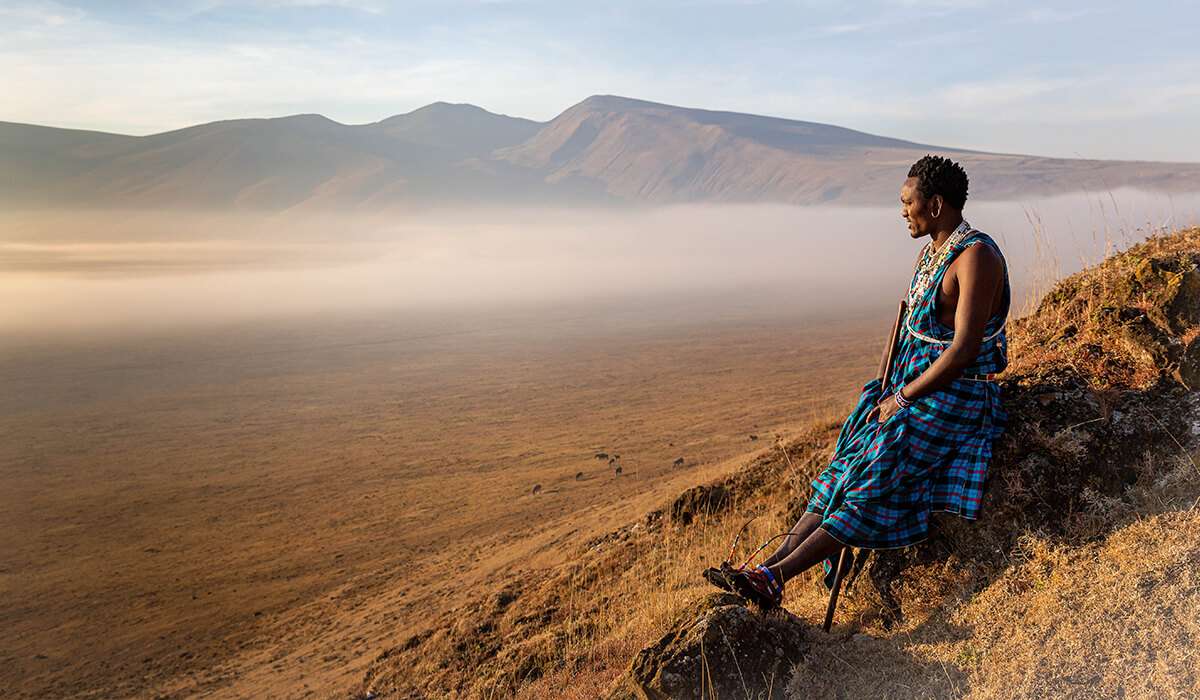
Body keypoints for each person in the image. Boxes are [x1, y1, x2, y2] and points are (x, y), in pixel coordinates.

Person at [707, 154, 1010, 609]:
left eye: (908, 203)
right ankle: (764, 571)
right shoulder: (933, 252)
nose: (902, 211)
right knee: (845, 466)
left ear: (936, 204)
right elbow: (907, 320)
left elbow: (964, 349)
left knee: (875, 473)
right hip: (910, 385)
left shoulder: (976, 258)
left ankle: (775, 576)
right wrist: (885, 386)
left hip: (956, 394)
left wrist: (903, 399)